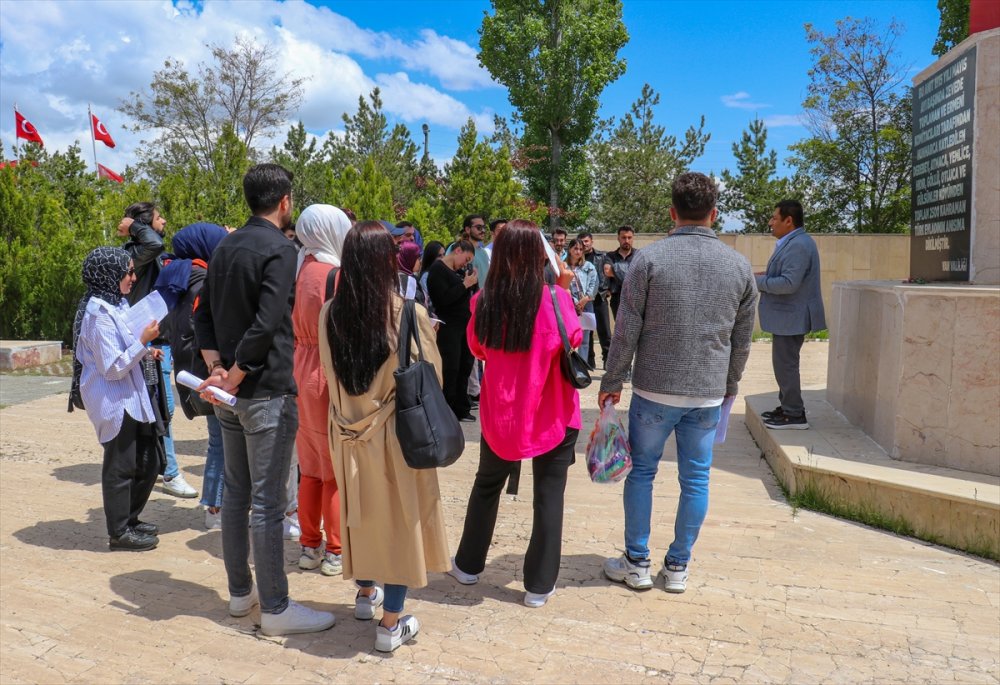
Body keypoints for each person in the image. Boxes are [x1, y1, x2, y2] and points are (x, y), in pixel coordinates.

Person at [599, 172, 757, 594]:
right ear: (715, 214)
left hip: (653, 389)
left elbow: (626, 330)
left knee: (642, 473)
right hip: (706, 392)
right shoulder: (739, 267)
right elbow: (742, 340)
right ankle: (678, 566)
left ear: (672, 213)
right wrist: (729, 385)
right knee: (697, 479)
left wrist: (612, 380)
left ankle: (637, 562)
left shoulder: (649, 261)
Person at [194, 163, 336, 637]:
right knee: (266, 502)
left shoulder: (225, 246)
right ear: (285, 201)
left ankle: (240, 594)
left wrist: (217, 369)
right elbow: (268, 318)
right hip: (264, 391)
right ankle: (275, 606)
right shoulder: (279, 248)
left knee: (237, 495)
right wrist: (234, 374)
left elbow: (204, 315)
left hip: (228, 392)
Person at [319, 221, 450, 653]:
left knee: (362, 517)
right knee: (399, 525)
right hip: (394, 437)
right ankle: (390, 624)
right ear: (385, 262)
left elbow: (328, 374)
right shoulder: (406, 313)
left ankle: (363, 594)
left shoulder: (328, 313)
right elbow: (434, 379)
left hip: (345, 433)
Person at [449, 220, 581, 608]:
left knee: (486, 487)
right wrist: (563, 288)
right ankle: (538, 586)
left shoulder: (485, 301)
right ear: (541, 255)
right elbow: (573, 340)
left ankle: (468, 565)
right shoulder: (557, 299)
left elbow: (477, 348)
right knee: (548, 496)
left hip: (503, 414)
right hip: (553, 414)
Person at [74, 247, 164, 551]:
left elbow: (124, 348)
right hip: (114, 399)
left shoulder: (116, 304)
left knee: (149, 461)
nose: (133, 277)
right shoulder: (98, 315)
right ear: (109, 275)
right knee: (121, 467)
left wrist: (144, 349)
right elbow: (112, 369)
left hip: (131, 395)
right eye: (128, 272)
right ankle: (119, 532)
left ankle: (130, 518)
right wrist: (142, 343)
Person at [119, 202, 197, 500]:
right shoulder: (135, 254)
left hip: (160, 342)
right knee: (161, 409)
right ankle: (171, 473)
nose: (164, 220)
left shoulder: (150, 256)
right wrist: (134, 226)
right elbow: (154, 241)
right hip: (148, 343)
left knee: (160, 409)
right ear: (144, 225)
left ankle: (150, 468)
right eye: (158, 217)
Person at [155, 222, 230, 530]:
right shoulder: (202, 278)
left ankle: (215, 506)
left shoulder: (178, 273)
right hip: (209, 370)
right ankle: (214, 509)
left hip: (192, 369)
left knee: (218, 441)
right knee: (223, 443)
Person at [292, 204, 352, 578]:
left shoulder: (301, 269)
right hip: (325, 371)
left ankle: (309, 546)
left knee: (309, 468)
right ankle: (335, 550)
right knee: (333, 470)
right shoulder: (336, 274)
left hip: (299, 367)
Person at [756, 200, 826, 430]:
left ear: (789, 220)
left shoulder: (799, 245)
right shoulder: (793, 242)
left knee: (786, 365)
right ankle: (788, 406)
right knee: (783, 364)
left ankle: (794, 415)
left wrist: (754, 282)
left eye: (774, 218)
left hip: (792, 316)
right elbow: (782, 274)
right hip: (789, 316)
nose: (770, 222)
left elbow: (788, 283)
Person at [425, 239, 478, 422]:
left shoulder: (459, 272)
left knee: (465, 366)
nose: (466, 263)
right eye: (466, 258)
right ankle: (447, 410)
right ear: (457, 250)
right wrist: (465, 284)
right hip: (449, 328)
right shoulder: (438, 270)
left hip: (464, 326)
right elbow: (443, 300)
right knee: (451, 368)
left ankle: (461, 407)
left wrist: (471, 282)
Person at [578, 231, 611, 370]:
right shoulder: (578, 258)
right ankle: (589, 361)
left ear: (592, 241)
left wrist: (609, 288)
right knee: (587, 332)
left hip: (600, 298)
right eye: (582, 242)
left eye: (586, 241)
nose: (584, 244)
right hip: (585, 301)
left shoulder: (603, 256)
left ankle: (607, 360)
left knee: (605, 331)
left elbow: (609, 273)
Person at [565, 238, 598, 365]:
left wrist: (585, 299)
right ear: (570, 249)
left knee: (585, 339)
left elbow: (594, 284)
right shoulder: (564, 265)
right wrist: (574, 301)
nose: (578, 251)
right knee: (569, 337)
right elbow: (562, 285)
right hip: (569, 305)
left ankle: (582, 366)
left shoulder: (589, 267)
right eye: (575, 248)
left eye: (580, 249)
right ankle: (569, 365)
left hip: (586, 305)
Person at [418, 241, 445, 318]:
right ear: (431, 257)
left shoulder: (445, 272)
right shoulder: (426, 277)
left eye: (444, 254)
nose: (443, 258)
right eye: (439, 256)